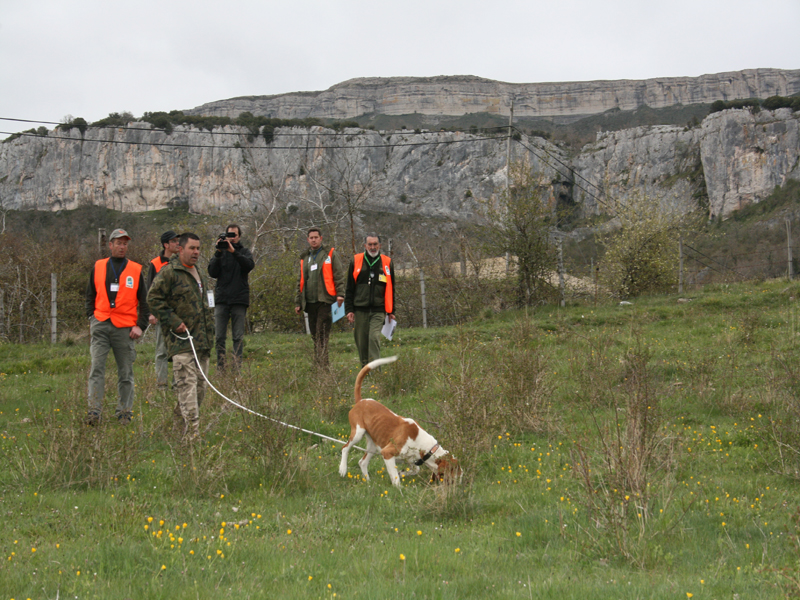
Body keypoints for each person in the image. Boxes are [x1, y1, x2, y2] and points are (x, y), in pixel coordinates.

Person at [147, 233, 215, 441]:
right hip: (182, 341)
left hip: (202, 342)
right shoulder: (169, 273)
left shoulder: (198, 272)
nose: (196, 252)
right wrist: (174, 321)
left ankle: (178, 424)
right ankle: (192, 434)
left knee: (200, 388)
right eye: (192, 248)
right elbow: (153, 299)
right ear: (181, 249)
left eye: (198, 248)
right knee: (187, 385)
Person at [85, 228, 149, 426]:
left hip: (125, 328)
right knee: (97, 368)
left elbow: (144, 302)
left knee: (126, 372)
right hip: (101, 324)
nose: (122, 247)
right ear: (110, 245)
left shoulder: (135, 269)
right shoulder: (98, 266)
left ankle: (124, 412)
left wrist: (141, 325)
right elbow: (90, 295)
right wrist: (92, 318)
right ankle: (94, 411)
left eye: (125, 243)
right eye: (119, 243)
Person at [295, 227, 345, 369]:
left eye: (316, 237)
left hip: (326, 301)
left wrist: (340, 294)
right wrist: (298, 301)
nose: (314, 240)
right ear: (308, 239)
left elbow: (339, 275)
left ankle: (323, 366)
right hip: (309, 302)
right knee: (315, 335)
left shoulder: (330, 254)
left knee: (321, 333)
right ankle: (320, 363)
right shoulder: (305, 257)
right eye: (311, 237)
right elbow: (300, 281)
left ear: (321, 238)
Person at [207, 224, 255, 371]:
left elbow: (248, 266)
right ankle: (221, 368)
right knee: (219, 336)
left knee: (238, 337)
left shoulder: (244, 252)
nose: (231, 238)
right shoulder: (220, 253)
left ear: (239, 237)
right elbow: (212, 272)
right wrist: (217, 253)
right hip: (222, 299)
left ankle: (236, 369)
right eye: (228, 235)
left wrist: (234, 252)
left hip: (239, 299)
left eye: (233, 235)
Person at [345, 233, 396, 367]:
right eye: (370, 244)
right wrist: (349, 309)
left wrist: (391, 311)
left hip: (379, 310)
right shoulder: (355, 261)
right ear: (365, 245)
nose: (372, 247)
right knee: (361, 343)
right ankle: (365, 372)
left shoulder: (387, 262)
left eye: (375, 244)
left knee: (373, 338)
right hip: (359, 310)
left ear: (379, 245)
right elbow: (349, 288)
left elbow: (391, 288)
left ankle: (377, 373)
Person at [147, 230, 180, 389]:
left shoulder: (180, 261)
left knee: (178, 351)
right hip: (161, 312)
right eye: (173, 241)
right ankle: (161, 385)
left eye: (177, 241)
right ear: (166, 244)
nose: (177, 244)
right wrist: (152, 312)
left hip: (178, 313)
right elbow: (150, 290)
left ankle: (176, 384)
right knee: (161, 350)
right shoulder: (155, 263)